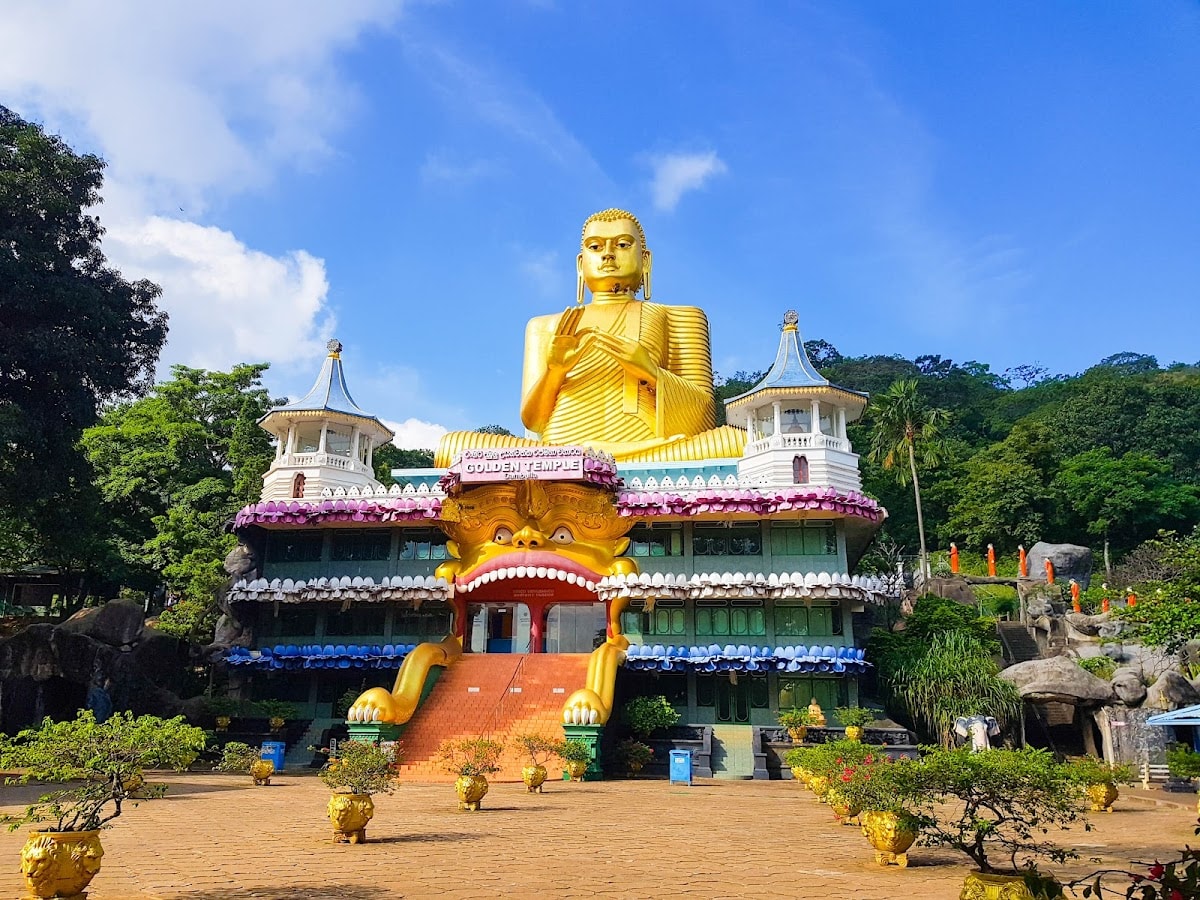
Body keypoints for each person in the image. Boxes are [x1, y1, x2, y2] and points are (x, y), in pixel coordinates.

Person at [435, 209, 745, 465]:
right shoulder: (545, 325)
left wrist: (650, 372)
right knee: (453, 446)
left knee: (737, 441)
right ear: (581, 264)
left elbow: (703, 416)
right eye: (595, 247)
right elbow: (533, 422)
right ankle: (580, 461)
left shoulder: (680, 316)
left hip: (648, 450)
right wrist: (555, 370)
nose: (608, 254)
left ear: (645, 259)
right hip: (558, 452)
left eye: (623, 244)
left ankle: (594, 462)